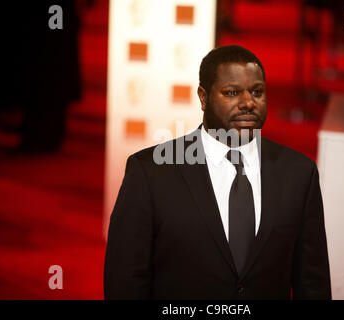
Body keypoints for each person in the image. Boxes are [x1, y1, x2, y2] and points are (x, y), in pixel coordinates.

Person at [104, 45, 331, 299]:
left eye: (257, 92)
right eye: (232, 92)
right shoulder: (150, 172)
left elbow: (313, 282)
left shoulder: (299, 173)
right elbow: (125, 279)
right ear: (203, 97)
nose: (248, 103)